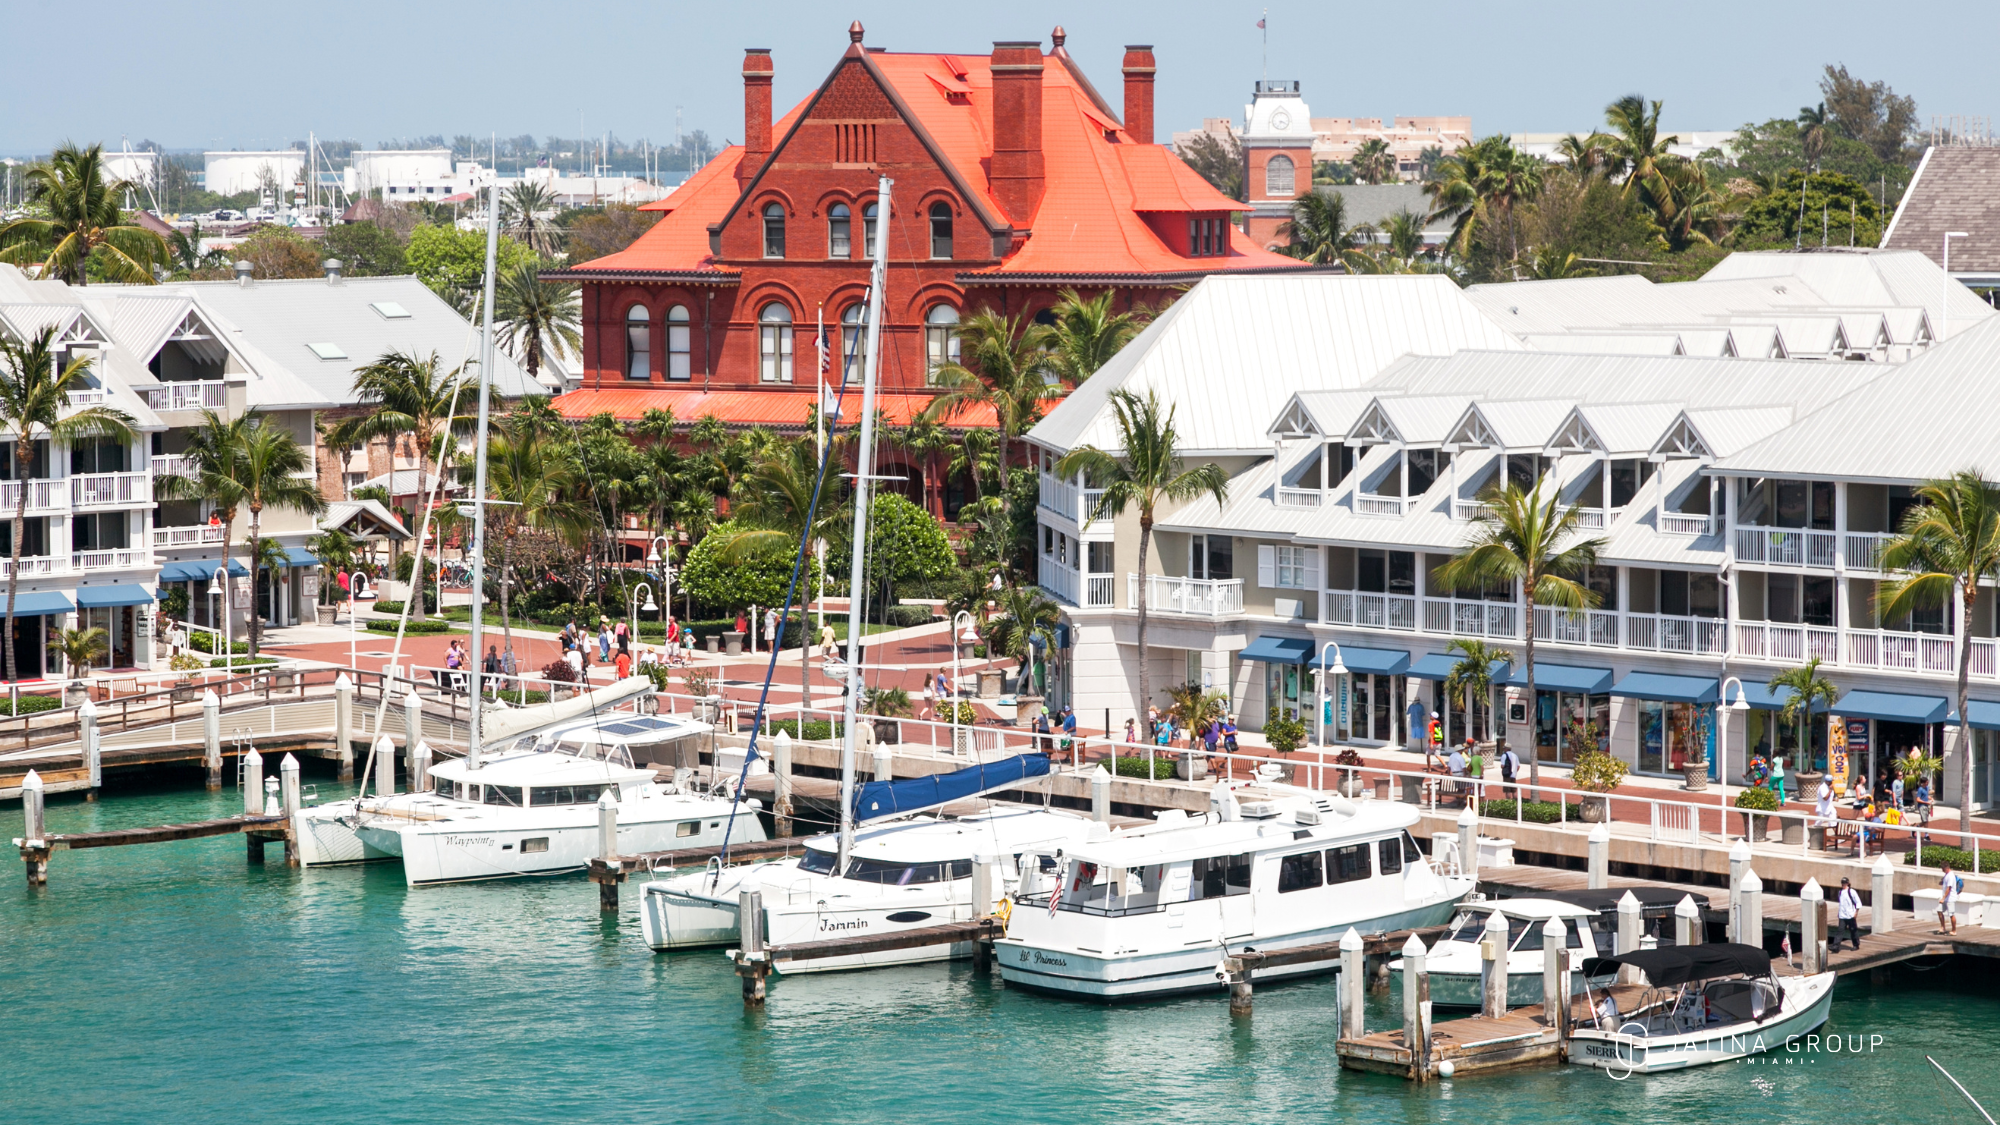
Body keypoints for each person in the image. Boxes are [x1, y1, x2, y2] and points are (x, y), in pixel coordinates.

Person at [1836, 878, 1863, 951]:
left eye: (1844, 883)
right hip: (1842, 915)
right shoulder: (1840, 892)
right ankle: (1835, 946)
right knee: (1840, 930)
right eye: (1842, 883)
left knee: (1853, 930)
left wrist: (1856, 913)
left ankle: (1856, 945)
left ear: (1848, 883)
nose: (1843, 884)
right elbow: (1841, 904)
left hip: (1850, 915)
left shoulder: (1851, 891)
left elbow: (1858, 902)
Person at [1939, 863, 1965, 935]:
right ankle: (1943, 927)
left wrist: (1943, 898)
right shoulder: (1947, 875)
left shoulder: (1950, 876)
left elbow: (1949, 888)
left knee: (1951, 914)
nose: (1942, 871)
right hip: (1945, 898)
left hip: (1950, 898)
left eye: (1943, 869)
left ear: (1946, 868)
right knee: (1939, 911)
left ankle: (1954, 930)